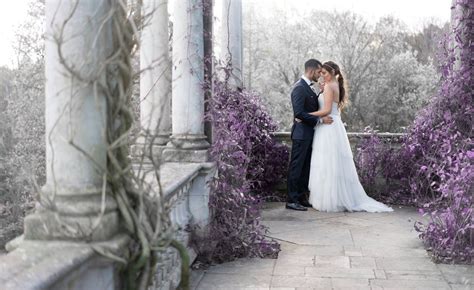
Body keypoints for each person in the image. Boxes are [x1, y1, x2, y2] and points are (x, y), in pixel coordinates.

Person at [306, 61, 393, 212]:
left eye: (324, 73)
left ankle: (330, 200)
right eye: (320, 73)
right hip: (335, 126)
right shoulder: (335, 86)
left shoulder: (329, 86)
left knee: (327, 163)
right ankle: (336, 198)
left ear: (332, 73)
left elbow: (326, 110)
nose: (322, 76)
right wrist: (322, 92)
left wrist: (305, 115)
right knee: (332, 164)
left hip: (328, 127)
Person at [286, 59, 333, 211]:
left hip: (308, 134)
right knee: (296, 167)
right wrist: (319, 119)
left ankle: (301, 197)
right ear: (312, 70)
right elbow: (299, 113)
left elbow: (309, 109)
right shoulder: (299, 88)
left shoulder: (309, 87)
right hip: (300, 134)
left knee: (305, 168)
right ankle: (291, 200)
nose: (320, 75)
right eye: (319, 72)